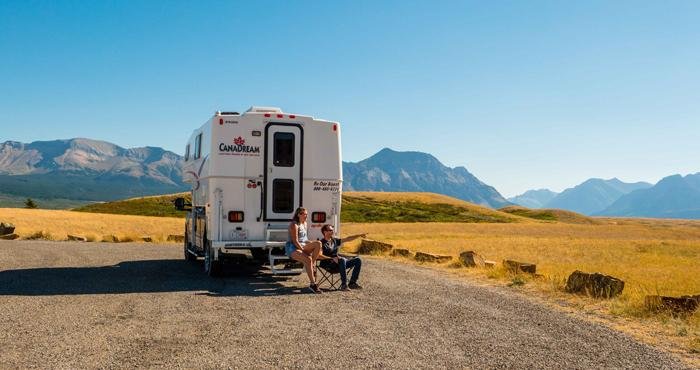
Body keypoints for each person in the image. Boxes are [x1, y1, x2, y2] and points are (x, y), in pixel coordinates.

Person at [285, 207, 324, 294]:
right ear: (298, 214)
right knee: (308, 259)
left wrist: (311, 243)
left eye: (306, 214)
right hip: (293, 248)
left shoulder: (304, 224)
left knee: (318, 243)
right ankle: (313, 284)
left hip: (303, 245)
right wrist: (303, 250)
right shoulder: (294, 225)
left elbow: (305, 239)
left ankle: (312, 264)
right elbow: (295, 241)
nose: (306, 216)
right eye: (304, 214)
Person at [319, 224, 366, 291]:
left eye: (332, 230)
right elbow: (319, 256)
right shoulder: (321, 243)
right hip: (329, 265)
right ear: (325, 232)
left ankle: (352, 283)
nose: (332, 232)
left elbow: (348, 239)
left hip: (339, 264)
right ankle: (344, 285)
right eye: (330, 230)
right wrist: (331, 258)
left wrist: (358, 235)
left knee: (357, 260)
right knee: (342, 260)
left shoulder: (334, 241)